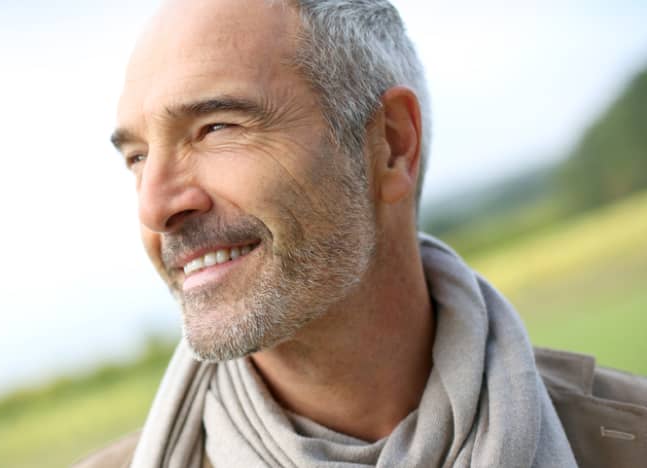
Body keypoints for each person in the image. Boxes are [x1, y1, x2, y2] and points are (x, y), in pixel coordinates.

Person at [80, 0, 647, 466]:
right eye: (137, 157)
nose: (154, 206)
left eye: (216, 127)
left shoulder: (627, 439)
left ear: (393, 144)